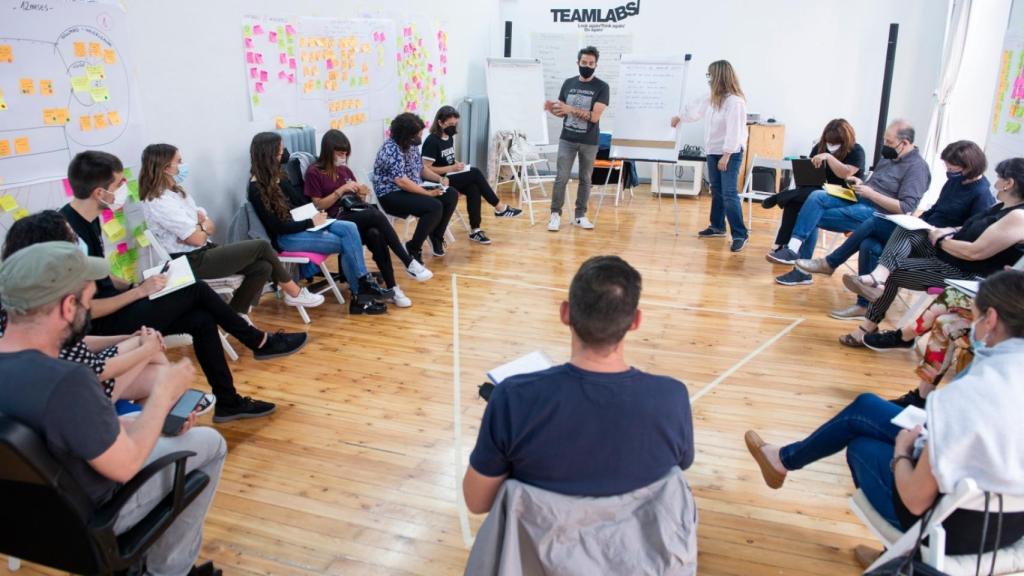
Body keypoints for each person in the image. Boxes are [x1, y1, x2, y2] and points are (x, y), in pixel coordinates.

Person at [745, 270, 1024, 566]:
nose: (971, 328)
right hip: (1013, 528)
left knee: (862, 445)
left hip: (947, 531)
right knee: (867, 408)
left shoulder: (964, 395)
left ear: (991, 319)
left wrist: (903, 451)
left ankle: (897, 557)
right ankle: (783, 460)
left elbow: (916, 499)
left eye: (975, 317)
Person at [0, 241, 227, 576]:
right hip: (96, 513)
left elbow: (63, 434)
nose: (88, 313)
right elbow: (125, 466)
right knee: (212, 444)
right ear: (67, 307)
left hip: (22, 521)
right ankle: (167, 571)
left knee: (145, 420)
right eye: (88, 303)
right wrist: (164, 393)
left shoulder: (28, 372)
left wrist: (147, 420)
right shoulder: (68, 382)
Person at [61, 150, 304, 423]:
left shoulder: (89, 221)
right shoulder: (70, 235)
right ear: (98, 193)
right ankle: (257, 340)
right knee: (195, 288)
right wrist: (139, 292)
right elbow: (88, 310)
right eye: (118, 185)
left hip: (121, 305)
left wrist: (136, 283)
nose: (124, 190)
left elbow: (102, 276)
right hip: (103, 325)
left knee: (201, 319)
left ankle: (229, 402)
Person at [463, 255, 694, 514]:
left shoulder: (513, 397)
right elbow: (680, 467)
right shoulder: (671, 397)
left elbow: (477, 501)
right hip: (634, 551)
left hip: (539, 550)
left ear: (565, 313)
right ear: (636, 321)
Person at [795, 140, 993, 320]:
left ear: (969, 164)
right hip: (923, 231)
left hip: (939, 244)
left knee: (873, 222)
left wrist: (944, 230)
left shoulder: (981, 193)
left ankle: (831, 263)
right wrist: (920, 222)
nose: (948, 169)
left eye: (952, 166)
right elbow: (936, 209)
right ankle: (865, 304)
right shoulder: (954, 182)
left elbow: (973, 229)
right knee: (869, 243)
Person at [839, 157, 1024, 346]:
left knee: (893, 271)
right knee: (908, 229)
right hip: (951, 254)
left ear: (1009, 183)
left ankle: (868, 324)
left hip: (966, 272)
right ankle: (878, 276)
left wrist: (941, 241)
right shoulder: (1001, 206)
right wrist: (949, 230)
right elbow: (971, 226)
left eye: (1000, 177)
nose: (996, 182)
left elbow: (974, 253)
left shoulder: (1018, 217)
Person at [0, 210, 171, 406]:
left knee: (152, 351)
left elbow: (75, 348)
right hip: (78, 391)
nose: (77, 242)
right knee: (160, 370)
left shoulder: (23, 298)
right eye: (72, 238)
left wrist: (129, 339)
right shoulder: (47, 308)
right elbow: (91, 370)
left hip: (80, 377)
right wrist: (146, 349)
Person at [139, 143, 325, 314]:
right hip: (189, 261)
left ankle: (237, 314)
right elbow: (196, 239)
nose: (183, 165)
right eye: (178, 161)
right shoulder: (158, 201)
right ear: (165, 168)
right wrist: (200, 229)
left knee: (263, 266)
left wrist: (200, 227)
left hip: (204, 250)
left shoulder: (178, 193)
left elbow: (208, 225)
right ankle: (295, 292)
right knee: (261, 246)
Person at [768, 120, 930, 285]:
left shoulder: (917, 168)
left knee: (808, 214)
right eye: (885, 140)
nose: (885, 145)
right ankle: (793, 249)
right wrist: (860, 184)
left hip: (878, 214)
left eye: (889, 142)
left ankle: (802, 271)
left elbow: (906, 208)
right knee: (815, 197)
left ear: (904, 143)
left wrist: (871, 194)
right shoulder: (889, 157)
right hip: (859, 198)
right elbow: (874, 185)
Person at [247, 131, 391, 315]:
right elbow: (278, 227)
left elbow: (300, 203)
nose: (284, 154)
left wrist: (318, 215)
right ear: (268, 155)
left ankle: (362, 288)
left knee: (350, 227)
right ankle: (360, 294)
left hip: (304, 225)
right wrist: (311, 222)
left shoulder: (279, 177)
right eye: (280, 151)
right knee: (349, 243)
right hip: (288, 237)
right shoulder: (256, 188)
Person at [302, 129, 433, 308]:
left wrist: (361, 193)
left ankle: (394, 287)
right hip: (333, 220)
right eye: (339, 153)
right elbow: (318, 205)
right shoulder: (314, 172)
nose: (343, 156)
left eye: (345, 153)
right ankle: (408, 261)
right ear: (328, 150)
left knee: (375, 234)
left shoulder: (345, 170)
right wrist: (340, 191)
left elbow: (358, 201)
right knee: (374, 214)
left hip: (353, 215)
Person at [762, 118, 866, 268]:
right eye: (829, 141)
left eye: (835, 142)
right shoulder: (820, 147)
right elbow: (810, 171)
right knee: (794, 201)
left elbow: (845, 173)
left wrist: (829, 157)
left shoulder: (856, 150)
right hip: (818, 189)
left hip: (844, 194)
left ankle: (780, 197)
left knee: (809, 196)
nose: (831, 146)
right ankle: (783, 245)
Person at [672, 60, 749, 252]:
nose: (709, 79)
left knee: (729, 193)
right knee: (717, 190)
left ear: (720, 77)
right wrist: (680, 117)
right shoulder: (712, 98)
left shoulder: (735, 102)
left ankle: (740, 234)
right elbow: (695, 110)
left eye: (711, 75)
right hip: (713, 150)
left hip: (729, 152)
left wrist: (726, 155)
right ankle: (717, 226)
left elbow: (735, 132)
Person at [422, 105, 522, 244]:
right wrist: (452, 168)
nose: (453, 127)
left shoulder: (448, 137)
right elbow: (426, 169)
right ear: (440, 122)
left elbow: (448, 159)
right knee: (474, 172)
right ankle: (499, 207)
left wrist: (457, 164)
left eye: (455, 124)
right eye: (450, 124)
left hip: (450, 175)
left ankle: (475, 230)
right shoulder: (432, 141)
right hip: (437, 180)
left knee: (473, 188)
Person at [371, 113, 459, 262]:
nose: (420, 136)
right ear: (408, 136)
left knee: (451, 194)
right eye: (418, 134)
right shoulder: (390, 150)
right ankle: (413, 247)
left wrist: (440, 179)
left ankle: (436, 236)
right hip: (391, 195)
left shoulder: (410, 146)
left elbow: (421, 169)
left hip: (411, 188)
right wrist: (427, 193)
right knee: (434, 206)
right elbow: (402, 182)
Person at [543, 46, 609, 232]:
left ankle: (580, 216)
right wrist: (552, 109)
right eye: (584, 63)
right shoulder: (568, 83)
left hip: (589, 141)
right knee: (561, 177)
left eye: (591, 63)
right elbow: (563, 113)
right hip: (567, 139)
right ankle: (555, 215)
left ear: (596, 65)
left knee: (585, 179)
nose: (587, 66)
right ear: (578, 63)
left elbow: (594, 117)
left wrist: (570, 109)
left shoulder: (602, 87)